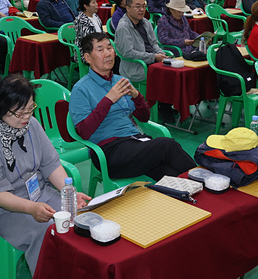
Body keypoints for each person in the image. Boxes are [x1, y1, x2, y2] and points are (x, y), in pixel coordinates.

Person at [0, 74, 90, 271]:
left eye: (30, 109)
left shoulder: (32, 126)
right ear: (1, 108)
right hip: (4, 210)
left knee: (77, 216)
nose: (26, 117)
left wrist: (68, 193)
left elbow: (50, 164)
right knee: (48, 230)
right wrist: (31, 208)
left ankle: (78, 274)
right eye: (19, 113)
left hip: (39, 195)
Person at [71, 32, 196, 179]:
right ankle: (204, 177)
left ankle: (201, 186)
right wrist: (108, 100)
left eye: (109, 48)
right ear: (88, 58)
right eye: (100, 49)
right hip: (108, 152)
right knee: (167, 145)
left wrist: (137, 97)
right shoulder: (81, 89)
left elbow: (144, 117)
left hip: (134, 143)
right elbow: (83, 132)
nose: (108, 53)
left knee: (172, 174)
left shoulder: (121, 81)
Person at [114, 0, 177, 121]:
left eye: (143, 6)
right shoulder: (123, 27)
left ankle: (166, 104)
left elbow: (154, 44)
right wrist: (153, 57)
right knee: (162, 74)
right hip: (137, 65)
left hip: (152, 61)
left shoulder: (146, 22)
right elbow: (128, 53)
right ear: (128, 8)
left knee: (175, 70)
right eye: (137, 6)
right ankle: (162, 108)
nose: (142, 10)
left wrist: (162, 54)